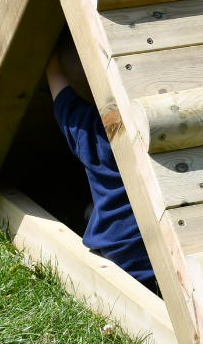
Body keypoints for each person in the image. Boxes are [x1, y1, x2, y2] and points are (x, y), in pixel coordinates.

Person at [45, 42, 157, 292]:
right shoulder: (162, 128)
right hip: (169, 263)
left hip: (123, 262)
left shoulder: (86, 127)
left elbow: (55, 71)